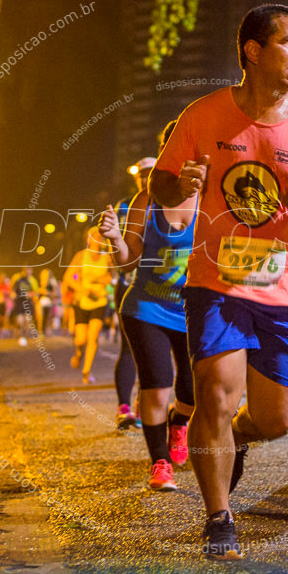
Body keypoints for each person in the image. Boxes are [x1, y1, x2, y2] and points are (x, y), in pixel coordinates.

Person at [150, 4, 288, 559]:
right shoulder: (204, 114)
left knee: (277, 418)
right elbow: (162, 186)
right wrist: (182, 184)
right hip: (217, 280)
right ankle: (218, 517)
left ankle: (237, 440)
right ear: (252, 50)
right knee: (216, 396)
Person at [100, 120, 197, 491]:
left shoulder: (211, 200)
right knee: (157, 385)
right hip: (147, 308)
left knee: (190, 393)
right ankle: (160, 463)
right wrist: (114, 239)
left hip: (192, 312)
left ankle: (178, 422)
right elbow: (128, 261)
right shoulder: (147, 200)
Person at [112, 158, 154, 428]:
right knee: (129, 347)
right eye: (141, 174)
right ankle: (124, 407)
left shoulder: (174, 201)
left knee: (159, 350)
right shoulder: (126, 205)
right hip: (130, 282)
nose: (144, 178)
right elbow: (119, 245)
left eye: (150, 173)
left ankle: (145, 403)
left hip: (162, 284)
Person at [63, 227, 114, 384]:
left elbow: (111, 277)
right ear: (88, 239)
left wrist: (103, 281)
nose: (98, 238)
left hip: (100, 301)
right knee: (81, 340)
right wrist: (82, 288)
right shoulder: (81, 257)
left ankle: (87, 371)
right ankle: (78, 353)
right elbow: (69, 278)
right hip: (83, 301)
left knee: (93, 338)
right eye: (95, 235)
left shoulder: (107, 258)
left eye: (101, 235)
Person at [10, 267, 38, 346]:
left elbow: (34, 292)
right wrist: (13, 295)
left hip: (28, 303)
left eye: (30, 272)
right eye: (27, 272)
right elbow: (13, 291)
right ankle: (18, 333)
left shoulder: (30, 281)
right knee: (20, 321)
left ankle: (23, 335)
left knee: (27, 321)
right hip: (19, 303)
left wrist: (31, 295)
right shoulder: (18, 281)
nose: (28, 274)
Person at [35, 268, 57, 337]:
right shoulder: (39, 282)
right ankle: (40, 331)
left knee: (48, 318)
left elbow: (55, 294)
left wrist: (48, 293)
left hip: (49, 303)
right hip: (40, 303)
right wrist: (41, 291)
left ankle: (46, 331)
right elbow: (36, 293)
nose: (45, 275)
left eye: (46, 274)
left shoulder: (52, 283)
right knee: (40, 317)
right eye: (44, 274)